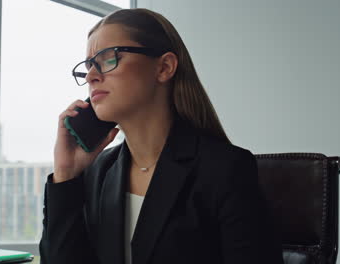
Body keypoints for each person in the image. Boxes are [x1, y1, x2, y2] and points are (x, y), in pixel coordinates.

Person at [39, 8, 283, 264]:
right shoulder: (100, 170)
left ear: (164, 67)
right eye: (88, 66)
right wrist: (66, 175)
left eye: (108, 58)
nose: (91, 76)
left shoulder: (225, 169)